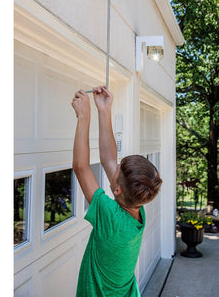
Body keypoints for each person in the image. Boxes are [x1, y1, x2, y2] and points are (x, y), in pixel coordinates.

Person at [71, 86, 162, 297]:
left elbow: (81, 167)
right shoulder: (137, 210)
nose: (115, 164)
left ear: (118, 189)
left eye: (118, 168)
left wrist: (84, 116)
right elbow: (108, 158)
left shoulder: (110, 217)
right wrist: (104, 110)